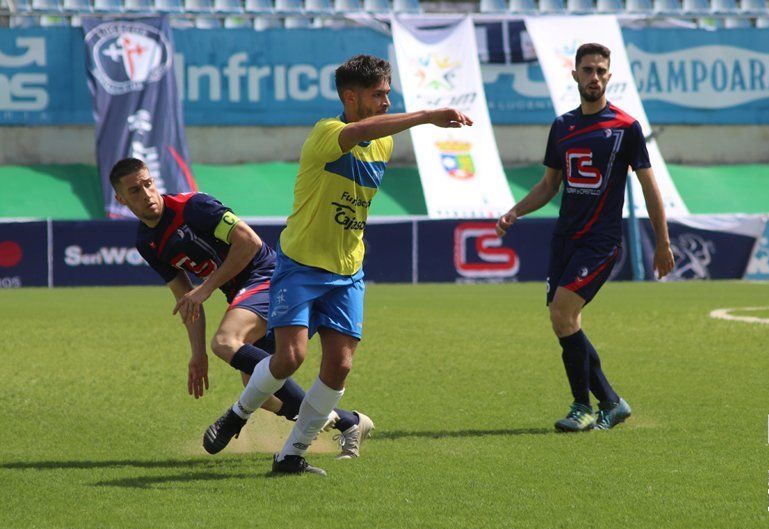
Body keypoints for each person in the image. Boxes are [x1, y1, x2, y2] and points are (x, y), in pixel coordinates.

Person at [203, 54, 474, 476]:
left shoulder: (384, 141)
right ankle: (237, 414)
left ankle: (291, 455)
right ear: (350, 97)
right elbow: (360, 131)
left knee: (340, 365)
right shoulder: (327, 133)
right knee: (290, 358)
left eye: (388, 93)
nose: (386, 101)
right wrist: (426, 116)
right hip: (301, 264)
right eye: (378, 94)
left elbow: (374, 135)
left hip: (348, 270)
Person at [109, 157, 374, 459]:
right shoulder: (147, 242)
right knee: (259, 388)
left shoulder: (194, 206)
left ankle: (307, 419)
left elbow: (249, 242)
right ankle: (348, 421)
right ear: (120, 199)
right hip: (241, 294)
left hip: (268, 275)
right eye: (134, 191)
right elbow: (186, 300)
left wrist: (205, 289)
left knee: (226, 342)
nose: (146, 194)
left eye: (148, 184)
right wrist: (197, 354)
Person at [495, 43, 675, 433]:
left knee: (563, 314)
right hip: (565, 239)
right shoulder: (562, 127)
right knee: (564, 321)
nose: (594, 77)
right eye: (587, 70)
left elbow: (650, 187)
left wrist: (662, 242)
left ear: (609, 76)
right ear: (575, 75)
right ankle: (611, 401)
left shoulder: (626, 128)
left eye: (600, 70)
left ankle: (582, 406)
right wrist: (515, 211)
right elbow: (548, 185)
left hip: (600, 241)